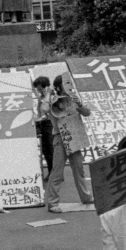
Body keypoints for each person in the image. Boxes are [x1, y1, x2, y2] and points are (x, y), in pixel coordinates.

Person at [44, 74, 95, 213]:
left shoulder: (73, 99)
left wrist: (79, 104)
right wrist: (49, 94)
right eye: (67, 84)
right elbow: (44, 109)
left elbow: (87, 113)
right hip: (60, 138)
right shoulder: (54, 99)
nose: (70, 86)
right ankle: (52, 202)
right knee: (57, 171)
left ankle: (86, 197)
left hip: (74, 137)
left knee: (78, 168)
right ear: (60, 87)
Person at [32, 76, 55, 178]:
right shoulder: (40, 97)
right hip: (42, 123)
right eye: (38, 90)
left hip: (50, 123)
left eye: (41, 89)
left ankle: (54, 173)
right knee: (45, 150)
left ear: (46, 87)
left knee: (50, 149)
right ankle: (51, 171)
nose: (39, 91)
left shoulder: (52, 96)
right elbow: (39, 111)